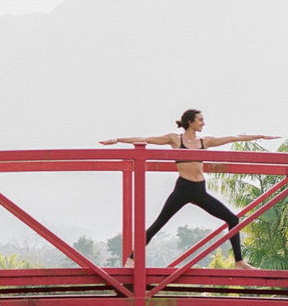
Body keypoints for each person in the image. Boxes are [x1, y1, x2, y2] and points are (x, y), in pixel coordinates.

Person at [100, 109, 277, 268]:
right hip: (182, 189)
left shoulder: (205, 141)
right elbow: (144, 139)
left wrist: (259, 136)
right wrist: (117, 140)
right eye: (200, 120)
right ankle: (132, 259)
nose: (203, 123)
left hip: (200, 190)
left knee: (232, 219)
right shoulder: (174, 139)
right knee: (159, 223)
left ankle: (239, 262)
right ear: (190, 121)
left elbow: (234, 137)